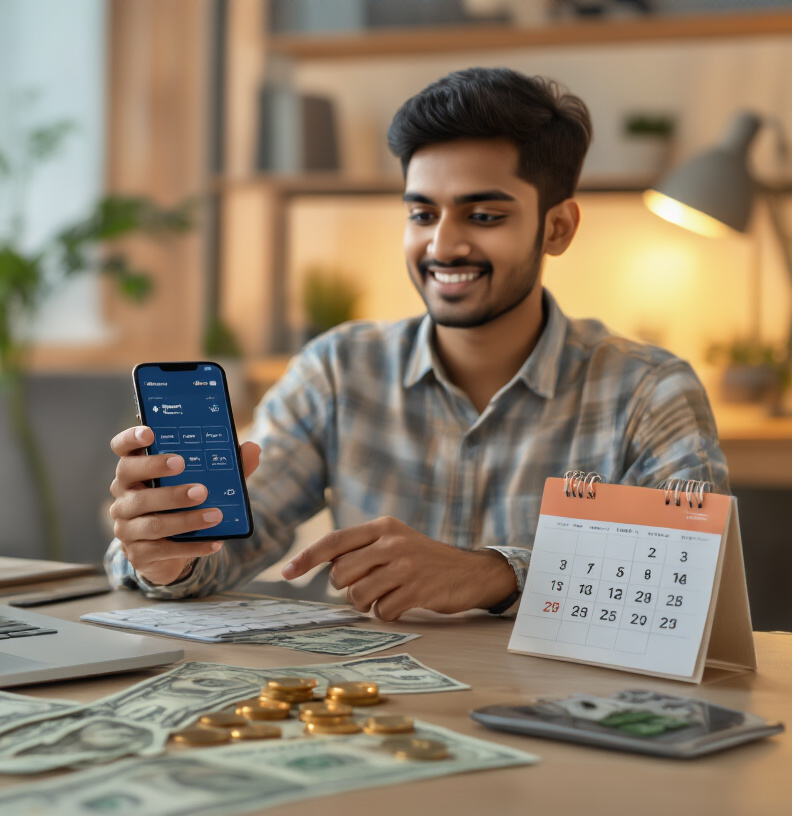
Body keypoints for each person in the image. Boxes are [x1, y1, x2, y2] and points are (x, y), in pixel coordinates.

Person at [104, 67, 728, 619]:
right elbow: (225, 547)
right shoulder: (337, 370)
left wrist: (495, 573)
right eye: (422, 213)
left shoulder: (649, 391)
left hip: (561, 724)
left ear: (557, 227)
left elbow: (689, 590)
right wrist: (165, 556)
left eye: (483, 215)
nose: (442, 245)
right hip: (368, 723)